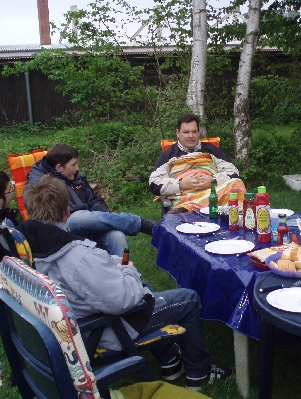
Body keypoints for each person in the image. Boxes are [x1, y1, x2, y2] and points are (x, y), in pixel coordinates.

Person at [18, 175, 232, 391]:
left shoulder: (32, 245)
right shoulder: (77, 256)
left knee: (146, 288)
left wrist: (114, 265)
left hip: (79, 319)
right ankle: (199, 374)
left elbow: (90, 274)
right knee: (189, 299)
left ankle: (170, 361)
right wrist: (128, 270)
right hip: (106, 329)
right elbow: (123, 300)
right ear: (67, 210)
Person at [27, 143, 157, 257]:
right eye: (73, 164)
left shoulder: (75, 177)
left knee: (117, 237)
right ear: (59, 167)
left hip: (88, 227)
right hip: (64, 232)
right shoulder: (42, 184)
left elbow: (94, 201)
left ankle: (124, 274)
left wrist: (104, 215)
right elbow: (50, 217)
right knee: (77, 217)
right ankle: (142, 224)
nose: (77, 168)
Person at [149, 113, 246, 213]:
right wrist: (181, 184)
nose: (191, 136)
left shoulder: (211, 150)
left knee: (237, 183)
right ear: (178, 133)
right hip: (185, 197)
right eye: (186, 132)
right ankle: (193, 207)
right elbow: (154, 183)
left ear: (199, 132)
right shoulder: (168, 155)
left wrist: (213, 180)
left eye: (194, 131)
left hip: (212, 193)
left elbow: (233, 173)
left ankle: (189, 208)